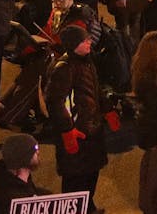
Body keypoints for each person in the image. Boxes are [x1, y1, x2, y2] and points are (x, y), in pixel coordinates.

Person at [44, 24, 107, 206]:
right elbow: (55, 102)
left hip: (91, 130)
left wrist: (107, 108)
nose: (89, 42)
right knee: (75, 178)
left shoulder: (87, 61)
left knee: (90, 173)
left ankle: (88, 205)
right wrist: (67, 130)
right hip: (77, 133)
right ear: (73, 44)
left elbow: (94, 90)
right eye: (83, 40)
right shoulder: (64, 68)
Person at [0, 134, 48, 212]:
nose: (38, 152)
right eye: (34, 149)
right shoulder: (4, 201)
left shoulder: (35, 191)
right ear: (23, 156)